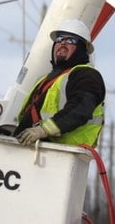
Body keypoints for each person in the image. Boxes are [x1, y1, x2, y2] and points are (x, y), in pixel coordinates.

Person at [14, 19, 105, 147]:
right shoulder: (46, 79)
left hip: (63, 153)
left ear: (81, 48)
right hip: (39, 148)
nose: (62, 43)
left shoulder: (86, 75)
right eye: (59, 39)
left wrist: (43, 130)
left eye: (70, 40)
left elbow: (79, 109)